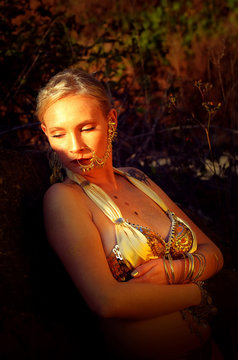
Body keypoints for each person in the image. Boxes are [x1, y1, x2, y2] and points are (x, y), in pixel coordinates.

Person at [36, 68, 224, 360]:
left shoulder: (138, 179)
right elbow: (107, 301)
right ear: (46, 133)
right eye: (59, 134)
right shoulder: (64, 199)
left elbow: (215, 253)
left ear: (111, 121)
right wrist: (200, 292)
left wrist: (175, 271)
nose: (74, 147)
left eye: (86, 128)